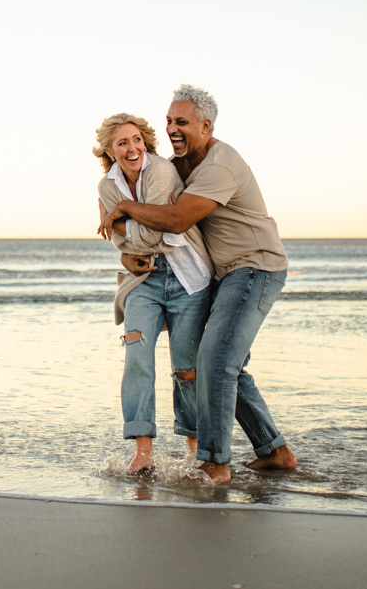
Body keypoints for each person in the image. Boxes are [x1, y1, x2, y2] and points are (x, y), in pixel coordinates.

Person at [100, 85, 297, 483]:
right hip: (224, 274)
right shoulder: (179, 164)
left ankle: (213, 462)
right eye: (169, 120)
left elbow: (173, 222)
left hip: (255, 267)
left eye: (182, 122)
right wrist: (126, 250)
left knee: (214, 362)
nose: (171, 128)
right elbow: (149, 224)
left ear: (206, 126)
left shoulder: (218, 166)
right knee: (228, 364)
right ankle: (274, 451)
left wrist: (122, 209)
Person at [93, 113, 213, 475]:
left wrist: (123, 221)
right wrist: (126, 250)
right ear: (111, 151)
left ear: (145, 142)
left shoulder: (161, 172)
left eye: (137, 140)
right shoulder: (106, 187)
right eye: (122, 143)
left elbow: (160, 231)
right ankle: (143, 451)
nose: (132, 149)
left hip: (186, 274)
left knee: (186, 368)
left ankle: (194, 448)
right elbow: (115, 238)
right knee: (137, 359)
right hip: (144, 280)